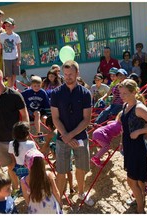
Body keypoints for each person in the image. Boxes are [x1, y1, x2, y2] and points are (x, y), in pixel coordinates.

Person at [51, 60, 94, 206]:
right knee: (61, 171)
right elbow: (55, 118)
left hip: (80, 137)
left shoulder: (85, 93)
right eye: (66, 74)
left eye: (71, 74)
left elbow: (86, 119)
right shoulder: (56, 93)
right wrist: (66, 136)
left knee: (81, 168)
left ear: (77, 73)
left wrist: (71, 135)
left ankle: (81, 193)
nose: (68, 77)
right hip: (62, 138)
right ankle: (57, 201)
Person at [119, 79, 147, 213]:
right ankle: (140, 199)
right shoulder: (126, 106)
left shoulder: (139, 108)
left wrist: (139, 131)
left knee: (131, 181)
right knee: (138, 180)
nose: (122, 96)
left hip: (137, 148)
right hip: (129, 146)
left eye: (125, 93)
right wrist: (121, 142)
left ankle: (140, 209)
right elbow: (124, 128)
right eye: (121, 93)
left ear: (134, 92)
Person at [0, 67, 29, 192]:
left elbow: (24, 114)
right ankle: (16, 188)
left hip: (15, 138)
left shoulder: (15, 95)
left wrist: (24, 133)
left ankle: (26, 186)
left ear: (0, 78)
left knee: (21, 164)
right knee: (10, 166)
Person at [40, 116, 75, 194]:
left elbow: (46, 145)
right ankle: (71, 187)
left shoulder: (51, 134)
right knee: (69, 170)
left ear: (48, 126)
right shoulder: (62, 130)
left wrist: (40, 151)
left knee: (61, 171)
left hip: (61, 154)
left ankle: (62, 187)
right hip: (69, 152)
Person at [21, 148, 62, 214]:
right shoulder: (48, 175)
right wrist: (60, 203)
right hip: (50, 206)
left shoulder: (24, 180)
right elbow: (56, 192)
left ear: (26, 164)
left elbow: (26, 197)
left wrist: (30, 206)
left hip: (35, 208)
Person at [21, 75, 50, 144]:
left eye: (38, 86)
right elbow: (19, 97)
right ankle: (39, 134)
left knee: (45, 118)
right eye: (35, 86)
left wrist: (48, 114)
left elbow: (47, 105)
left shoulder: (42, 93)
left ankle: (50, 135)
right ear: (31, 85)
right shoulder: (26, 92)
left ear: (41, 85)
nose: (37, 87)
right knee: (37, 113)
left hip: (41, 110)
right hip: (30, 111)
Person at [0, 17, 21, 88]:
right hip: (6, 58)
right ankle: (10, 88)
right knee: (9, 75)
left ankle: (11, 87)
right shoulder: (2, 36)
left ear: (13, 26)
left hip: (15, 58)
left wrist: (19, 59)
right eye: (6, 25)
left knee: (14, 74)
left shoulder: (16, 36)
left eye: (9, 25)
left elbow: (19, 48)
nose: (7, 27)